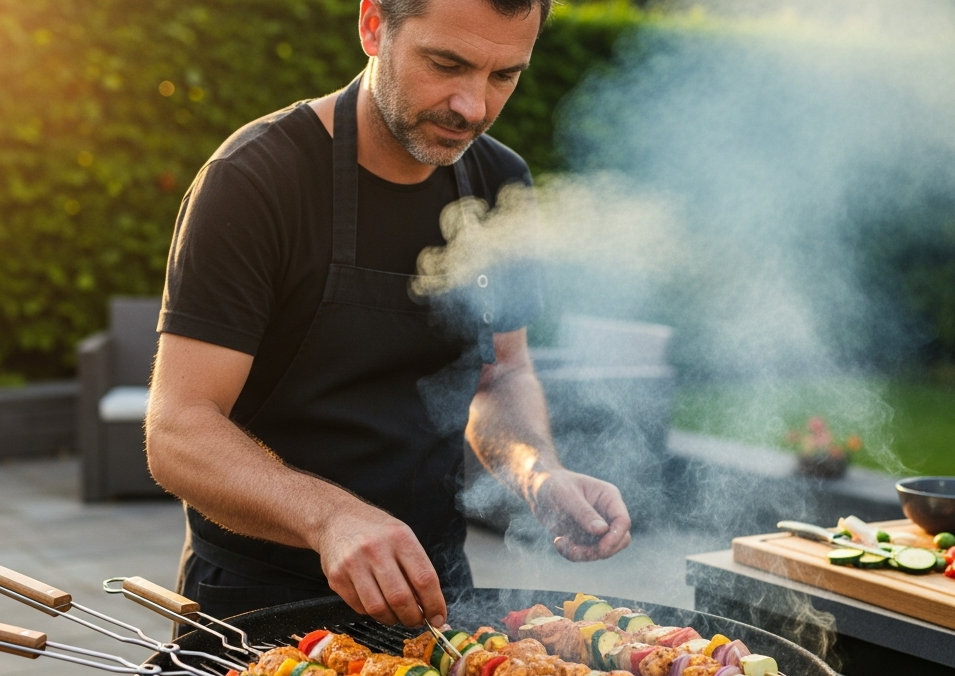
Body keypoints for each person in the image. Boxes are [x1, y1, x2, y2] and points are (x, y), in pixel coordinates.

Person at [145, 0, 632, 628]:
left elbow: (502, 375)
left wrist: (538, 472)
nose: (473, 107)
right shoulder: (256, 178)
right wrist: (333, 518)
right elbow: (178, 429)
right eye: (446, 64)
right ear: (374, 25)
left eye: (503, 75)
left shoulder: (499, 181)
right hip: (259, 598)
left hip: (434, 588)